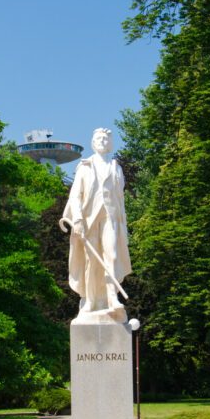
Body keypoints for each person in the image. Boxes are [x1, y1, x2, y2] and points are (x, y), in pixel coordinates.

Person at [61, 127, 132, 322]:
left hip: (110, 218)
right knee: (92, 261)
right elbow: (75, 196)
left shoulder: (116, 167)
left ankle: (111, 299)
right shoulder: (85, 167)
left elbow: (120, 198)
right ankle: (91, 300)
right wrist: (77, 219)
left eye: (105, 139)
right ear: (93, 143)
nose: (102, 141)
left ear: (110, 144)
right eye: (98, 138)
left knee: (112, 255)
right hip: (89, 220)